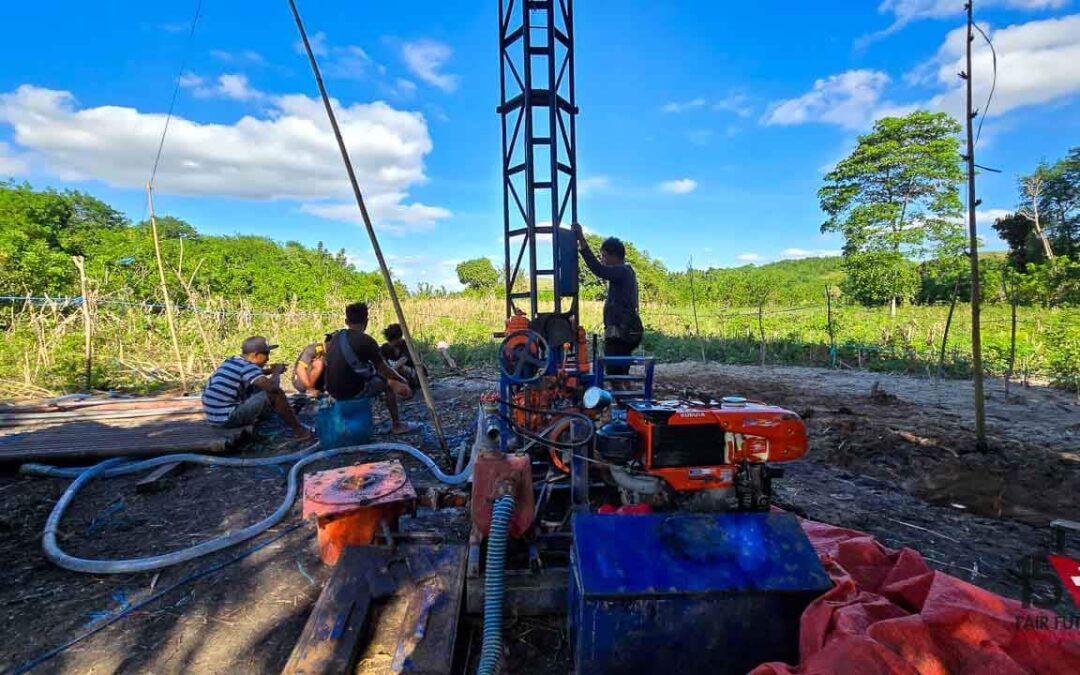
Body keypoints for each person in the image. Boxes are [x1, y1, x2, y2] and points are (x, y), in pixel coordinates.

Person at [324, 302, 420, 435]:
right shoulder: (366, 340)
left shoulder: (335, 338)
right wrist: (401, 379)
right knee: (389, 386)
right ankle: (397, 425)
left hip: (331, 390)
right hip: (350, 391)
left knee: (371, 380)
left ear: (346, 321)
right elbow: (384, 370)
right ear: (366, 321)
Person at [202, 336, 313, 440]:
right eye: (266, 354)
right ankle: (300, 432)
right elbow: (273, 389)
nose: (268, 359)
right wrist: (276, 372)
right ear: (256, 355)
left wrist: (269, 371)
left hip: (215, 417)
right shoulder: (248, 367)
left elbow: (247, 375)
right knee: (274, 394)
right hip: (226, 419)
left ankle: (281, 413)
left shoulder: (234, 361)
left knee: (257, 388)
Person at [573, 223, 643, 377]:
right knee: (621, 371)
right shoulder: (626, 273)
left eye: (604, 256)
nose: (603, 259)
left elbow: (598, 269)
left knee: (613, 372)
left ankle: (622, 397)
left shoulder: (622, 271)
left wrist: (581, 240)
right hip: (625, 330)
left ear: (614, 256)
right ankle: (627, 396)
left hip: (620, 332)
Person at [380, 323, 423, 391]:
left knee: (401, 368)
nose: (391, 343)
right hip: (395, 372)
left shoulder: (408, 345)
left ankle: (410, 386)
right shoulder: (385, 348)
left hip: (413, 372)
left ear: (399, 338)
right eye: (390, 341)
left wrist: (391, 370)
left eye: (393, 341)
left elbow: (403, 359)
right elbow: (380, 360)